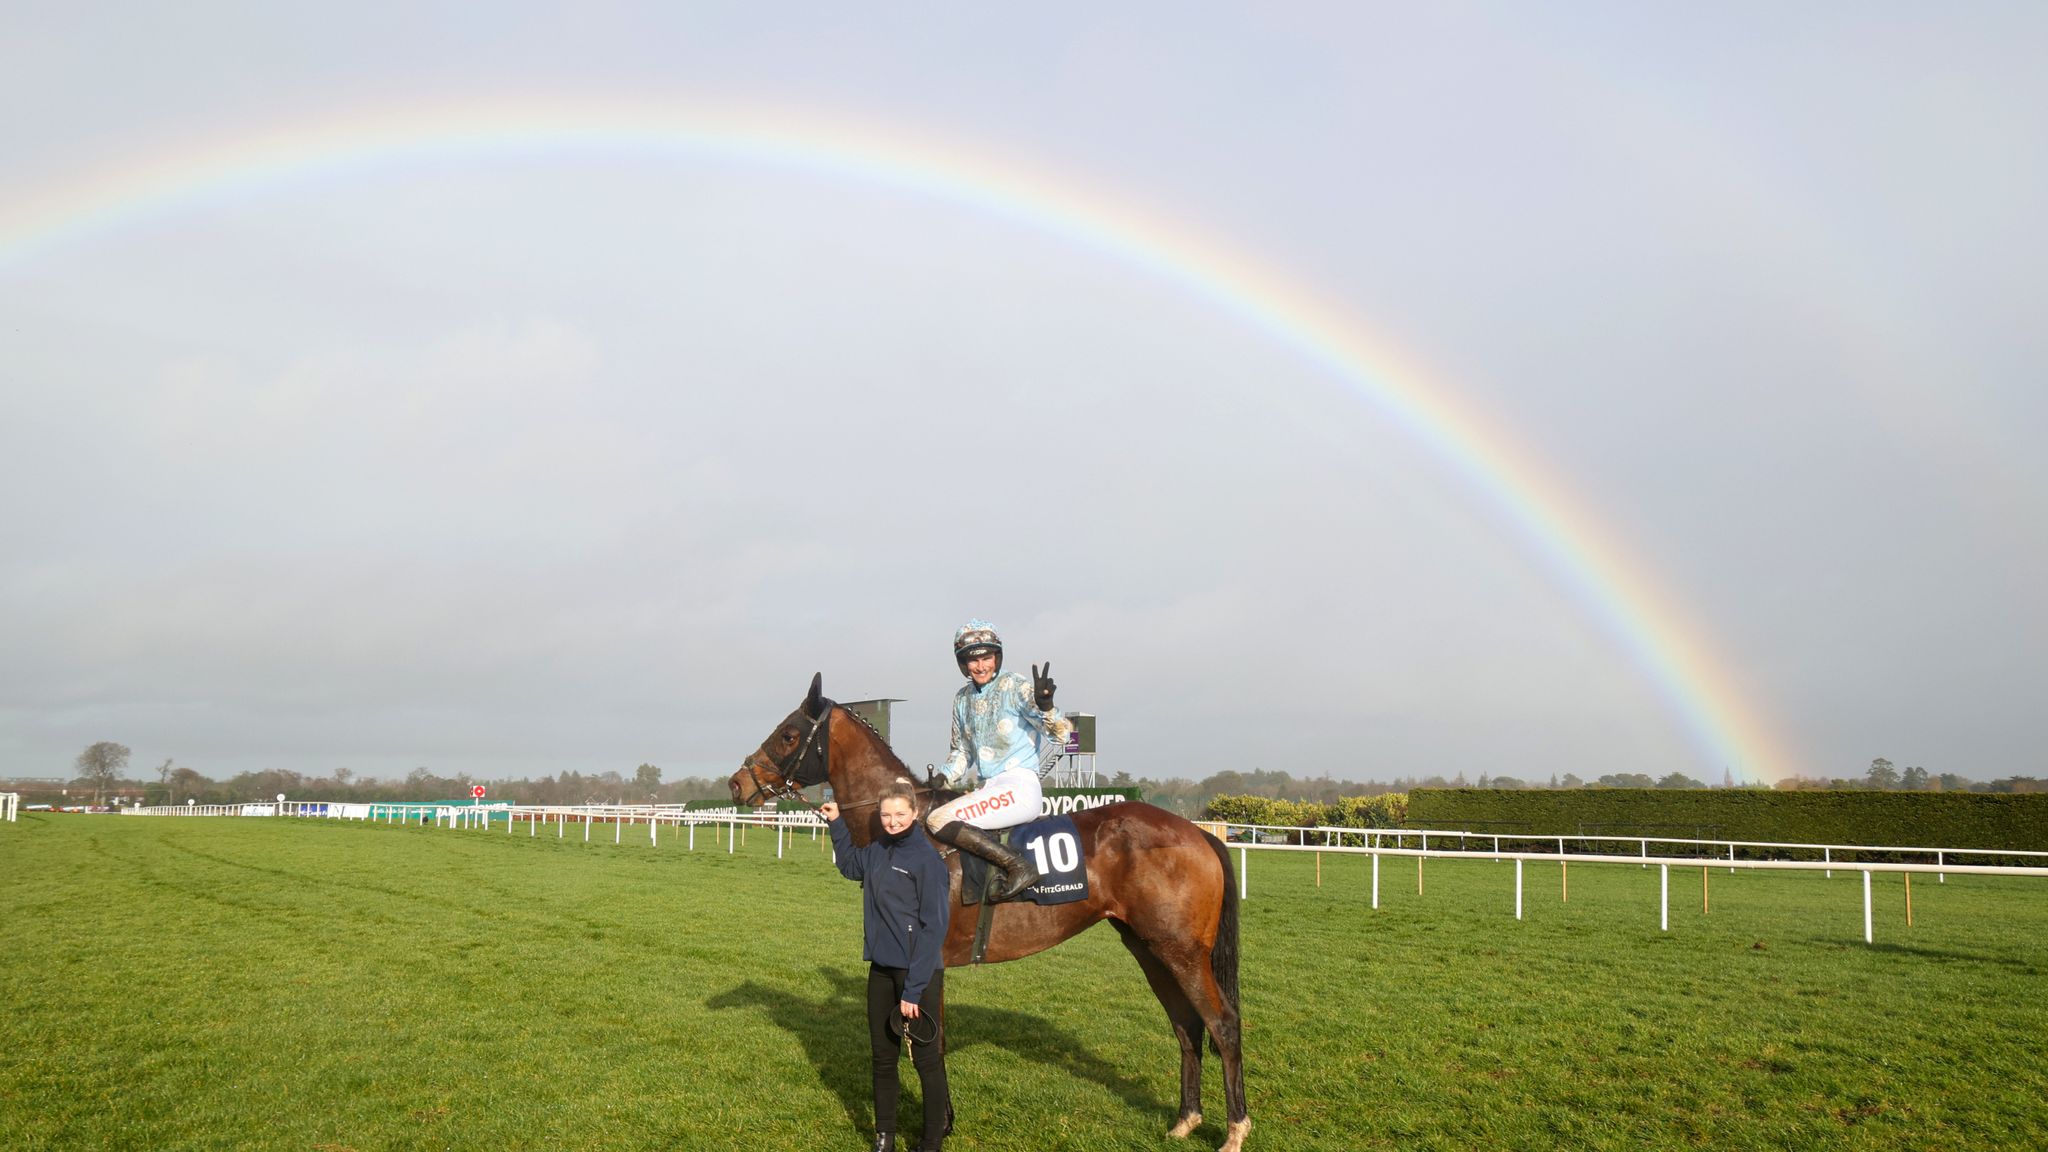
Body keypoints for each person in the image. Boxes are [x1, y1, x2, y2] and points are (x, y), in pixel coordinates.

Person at [821, 784, 952, 1152]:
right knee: (882, 1058)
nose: (892, 822)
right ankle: (885, 1137)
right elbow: (849, 866)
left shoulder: (927, 861)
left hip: (917, 974)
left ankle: (930, 1142)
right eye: (885, 815)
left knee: (926, 1061)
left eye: (899, 815)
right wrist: (836, 823)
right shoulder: (877, 850)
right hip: (880, 969)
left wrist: (913, 990)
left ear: (913, 814)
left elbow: (934, 928)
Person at [925, 619, 1073, 902]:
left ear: (997, 657)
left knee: (938, 819)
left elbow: (1063, 736)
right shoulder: (961, 699)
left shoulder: (1015, 686)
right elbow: (962, 751)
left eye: (987, 658)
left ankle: (1019, 867)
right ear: (962, 663)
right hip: (989, 789)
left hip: (1019, 787)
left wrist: (1047, 707)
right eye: (973, 660)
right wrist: (944, 776)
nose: (981, 666)